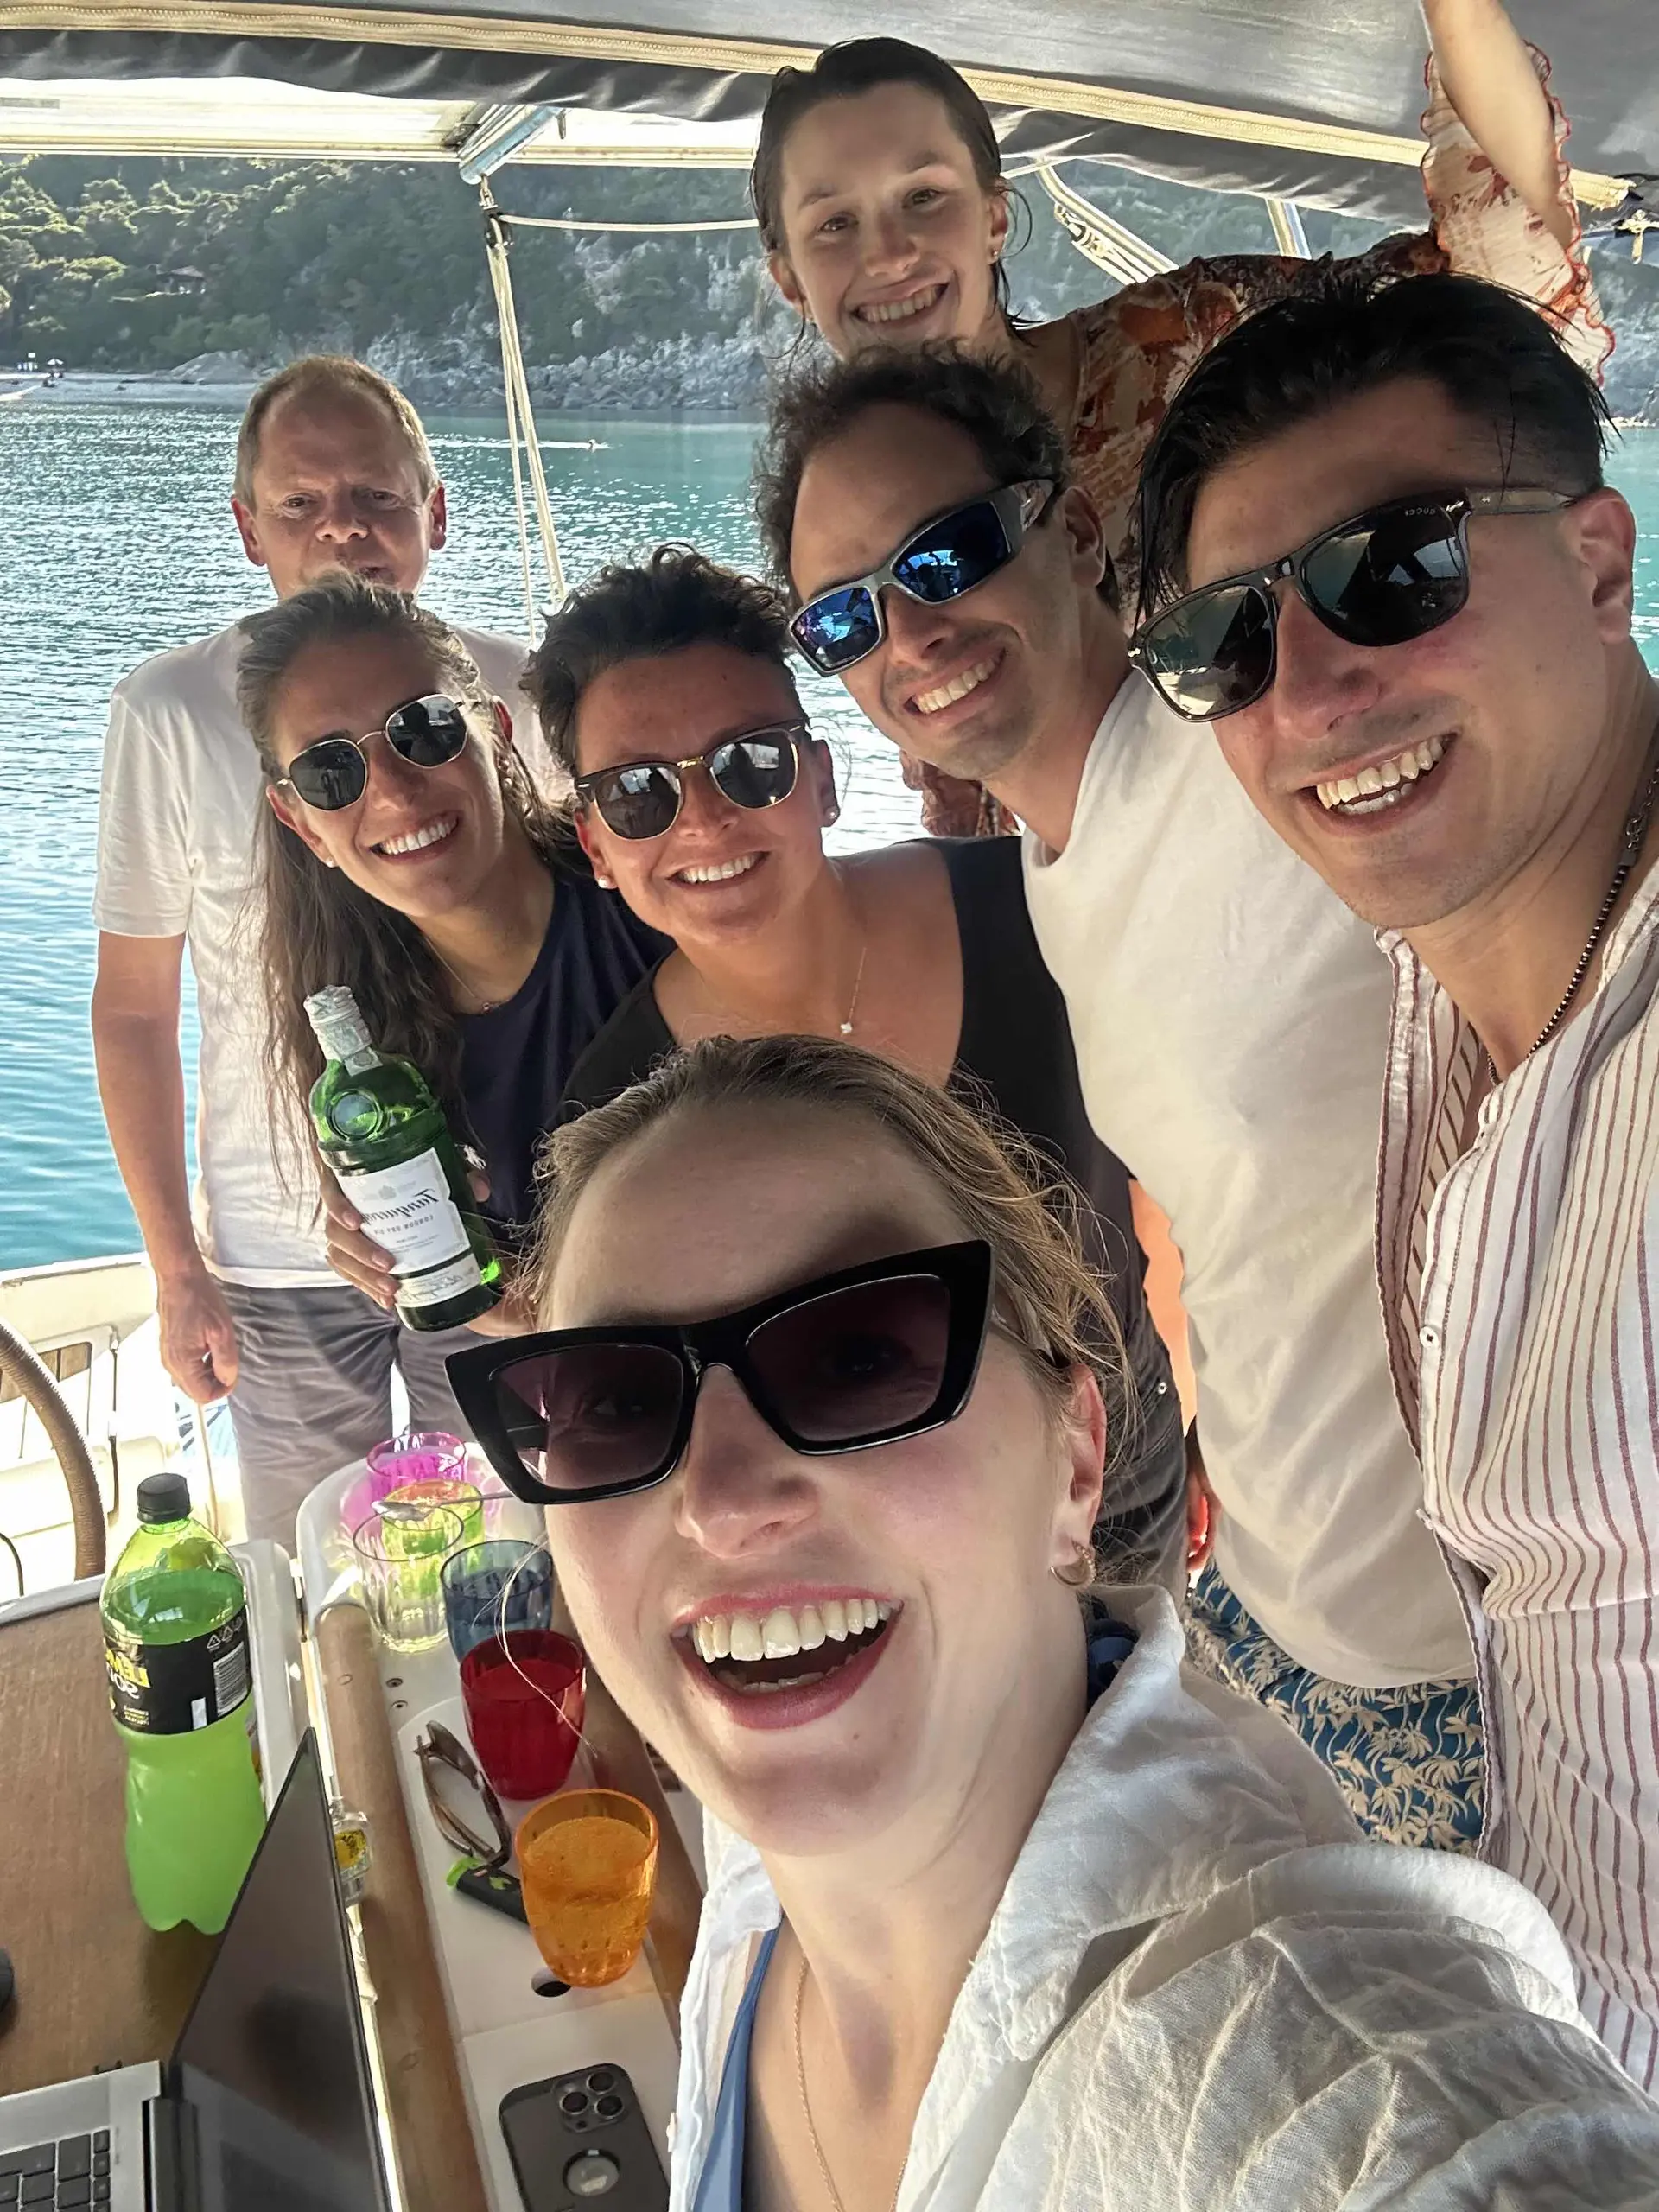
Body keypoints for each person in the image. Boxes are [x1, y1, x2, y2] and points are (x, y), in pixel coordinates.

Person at [444, 1033, 1659, 2212]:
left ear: (1075, 1465)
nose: (719, 1502)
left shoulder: (1311, 2058)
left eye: (858, 1356)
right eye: (615, 1401)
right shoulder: (763, 1859)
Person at [755, 343, 1483, 1849]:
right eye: (845, 617)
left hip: (1478, 1648)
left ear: (1073, 529)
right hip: (1276, 1610)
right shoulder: (1050, 868)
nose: (911, 632)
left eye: (945, 554)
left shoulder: (1267, 747)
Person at [1130, 266, 1659, 2083]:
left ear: (1599, 562)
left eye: (1396, 569)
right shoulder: (1436, 967)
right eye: (1226, 641)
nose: (1309, 688)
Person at [749, 10, 1609, 831]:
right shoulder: (844, 540)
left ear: (995, 217)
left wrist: (1455, 14)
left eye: (924, 196)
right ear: (787, 279)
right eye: (835, 223)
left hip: (1346, 824)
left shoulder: (1182, 341)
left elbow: (1497, 288)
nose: (888, 253)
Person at [524, 545, 1188, 1584]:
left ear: (823, 780)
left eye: (750, 762)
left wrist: (1211, 1417)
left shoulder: (1029, 910)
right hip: (872, 1561)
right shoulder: (621, 1107)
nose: (703, 818)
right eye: (638, 792)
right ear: (598, 846)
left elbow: (1176, 1178)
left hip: (1125, 1481)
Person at [90, 357, 543, 1542]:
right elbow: (133, 1010)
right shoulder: (171, 712)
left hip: (498, 1239)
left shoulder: (516, 694)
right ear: (249, 528)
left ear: (435, 511)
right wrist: (176, 1269)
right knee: (312, 1572)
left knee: (509, 1560)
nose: (344, 528)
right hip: (277, 1256)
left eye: (378, 497)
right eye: (301, 503)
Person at [237, 571, 664, 1290]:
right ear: (300, 823)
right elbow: (503, 1302)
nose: (394, 791)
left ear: (495, 731)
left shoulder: (648, 891)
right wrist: (433, 1277)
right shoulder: (360, 1039)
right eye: (331, 770)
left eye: (423, 729)